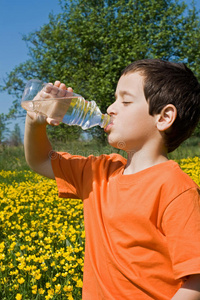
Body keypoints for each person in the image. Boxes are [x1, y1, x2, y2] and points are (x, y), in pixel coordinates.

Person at [24, 59, 200, 299]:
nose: (110, 108)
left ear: (163, 117)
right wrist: (35, 122)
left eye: (125, 101)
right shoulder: (99, 172)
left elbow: (195, 281)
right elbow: (40, 160)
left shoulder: (176, 188)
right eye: (115, 99)